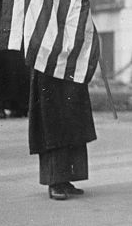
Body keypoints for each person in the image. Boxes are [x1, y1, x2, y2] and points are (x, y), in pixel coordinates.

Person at [27, 69, 96, 200]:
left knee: (73, 120)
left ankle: (65, 178)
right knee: (52, 121)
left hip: (70, 66)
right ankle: (54, 181)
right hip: (48, 67)